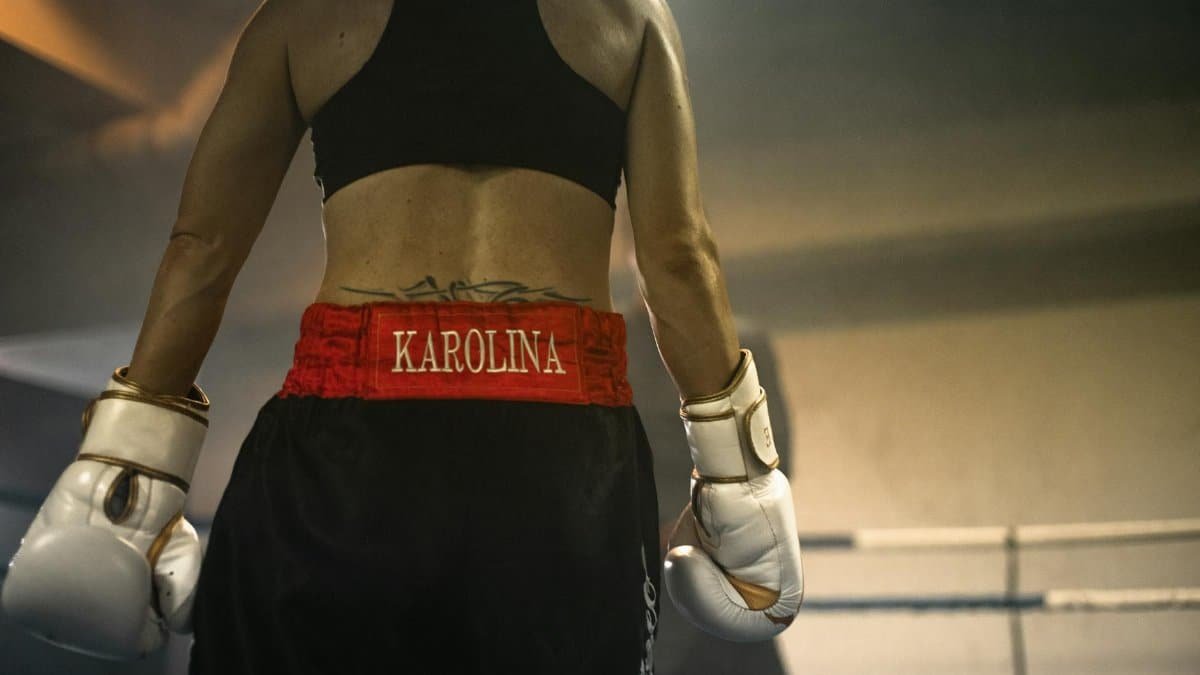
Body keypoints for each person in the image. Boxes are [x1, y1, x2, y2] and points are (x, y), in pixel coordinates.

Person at [1, 1, 803, 673]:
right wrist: (743, 482)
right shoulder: (628, 16)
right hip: (560, 451)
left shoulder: (308, 13)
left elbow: (202, 250)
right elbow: (678, 260)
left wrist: (125, 476)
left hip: (346, 443)